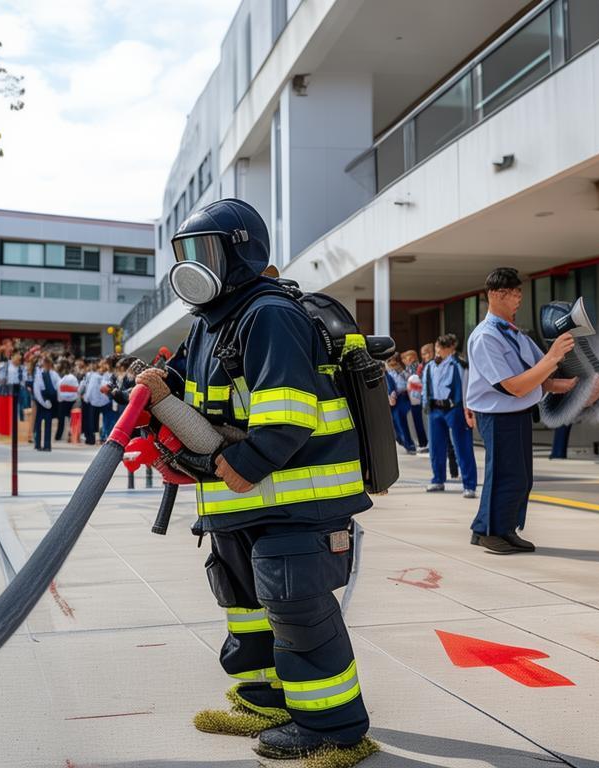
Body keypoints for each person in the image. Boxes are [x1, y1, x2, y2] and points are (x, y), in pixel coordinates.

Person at [141, 198, 371, 759]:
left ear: (240, 253)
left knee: (298, 610)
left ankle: (333, 727)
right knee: (245, 606)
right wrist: (160, 390)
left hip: (296, 501)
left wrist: (249, 461)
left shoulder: (270, 314)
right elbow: (195, 391)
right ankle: (265, 700)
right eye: (187, 253)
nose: (194, 265)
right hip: (239, 505)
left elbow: (289, 409)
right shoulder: (209, 323)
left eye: (206, 251)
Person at [465, 267, 576, 554]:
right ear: (496, 295)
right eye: (514, 294)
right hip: (499, 415)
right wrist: (552, 357)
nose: (518, 300)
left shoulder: (514, 333)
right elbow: (512, 386)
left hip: (516, 414)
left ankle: (495, 528)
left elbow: (540, 374)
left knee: (520, 477)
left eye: (519, 294)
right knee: (507, 475)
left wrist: (567, 384)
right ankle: (493, 532)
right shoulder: (486, 336)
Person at [423, 334, 477, 497]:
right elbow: (426, 386)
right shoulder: (430, 366)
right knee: (436, 447)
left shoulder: (460, 365)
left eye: (442, 347)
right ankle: (438, 479)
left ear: (451, 348)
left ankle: (469, 485)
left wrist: (468, 410)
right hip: (435, 409)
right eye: (437, 346)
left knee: (462, 446)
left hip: (454, 408)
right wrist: (425, 404)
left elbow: (466, 388)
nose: (438, 350)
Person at [385, 356, 417, 454]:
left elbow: (409, 380)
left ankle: (410, 445)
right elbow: (390, 388)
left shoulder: (401, 371)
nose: (393, 362)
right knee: (398, 424)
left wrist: (401, 371)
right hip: (396, 400)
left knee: (405, 422)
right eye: (390, 361)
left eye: (394, 360)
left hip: (405, 397)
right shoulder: (387, 374)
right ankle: (404, 442)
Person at [402, 349, 428, 451]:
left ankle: (423, 443)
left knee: (419, 422)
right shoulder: (411, 367)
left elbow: (416, 382)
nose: (404, 360)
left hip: (416, 398)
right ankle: (422, 442)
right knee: (418, 422)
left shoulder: (414, 367)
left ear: (412, 357)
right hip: (415, 398)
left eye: (406, 358)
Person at [30, 355, 57, 452]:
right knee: (39, 424)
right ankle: (38, 444)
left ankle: (46, 445)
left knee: (47, 424)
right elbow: (37, 390)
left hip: (48, 400)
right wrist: (43, 402)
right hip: (41, 400)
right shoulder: (39, 373)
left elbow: (57, 385)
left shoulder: (52, 374)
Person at [55, 359, 79, 443]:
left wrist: (59, 399)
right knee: (71, 419)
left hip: (63, 401)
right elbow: (76, 389)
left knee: (61, 420)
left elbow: (58, 389)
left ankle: (59, 436)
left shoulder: (60, 377)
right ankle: (71, 435)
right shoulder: (73, 378)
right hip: (72, 401)